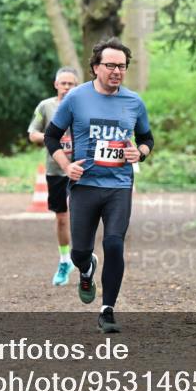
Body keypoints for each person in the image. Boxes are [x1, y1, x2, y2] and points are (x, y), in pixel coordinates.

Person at [44, 38, 154, 333]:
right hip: (85, 185)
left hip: (119, 185)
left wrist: (140, 152)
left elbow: (147, 139)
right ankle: (86, 267)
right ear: (95, 67)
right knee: (79, 252)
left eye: (122, 66)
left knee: (114, 243)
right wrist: (66, 166)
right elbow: (51, 136)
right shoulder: (76, 98)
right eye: (110, 65)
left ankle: (107, 311)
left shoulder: (134, 102)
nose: (117, 71)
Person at [28, 67, 79, 286]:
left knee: (84, 216)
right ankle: (65, 260)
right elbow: (33, 134)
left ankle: (84, 259)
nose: (67, 87)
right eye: (63, 83)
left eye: (71, 84)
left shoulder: (84, 106)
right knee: (61, 218)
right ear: (56, 85)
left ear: (77, 86)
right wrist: (51, 137)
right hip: (56, 170)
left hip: (81, 168)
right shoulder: (45, 106)